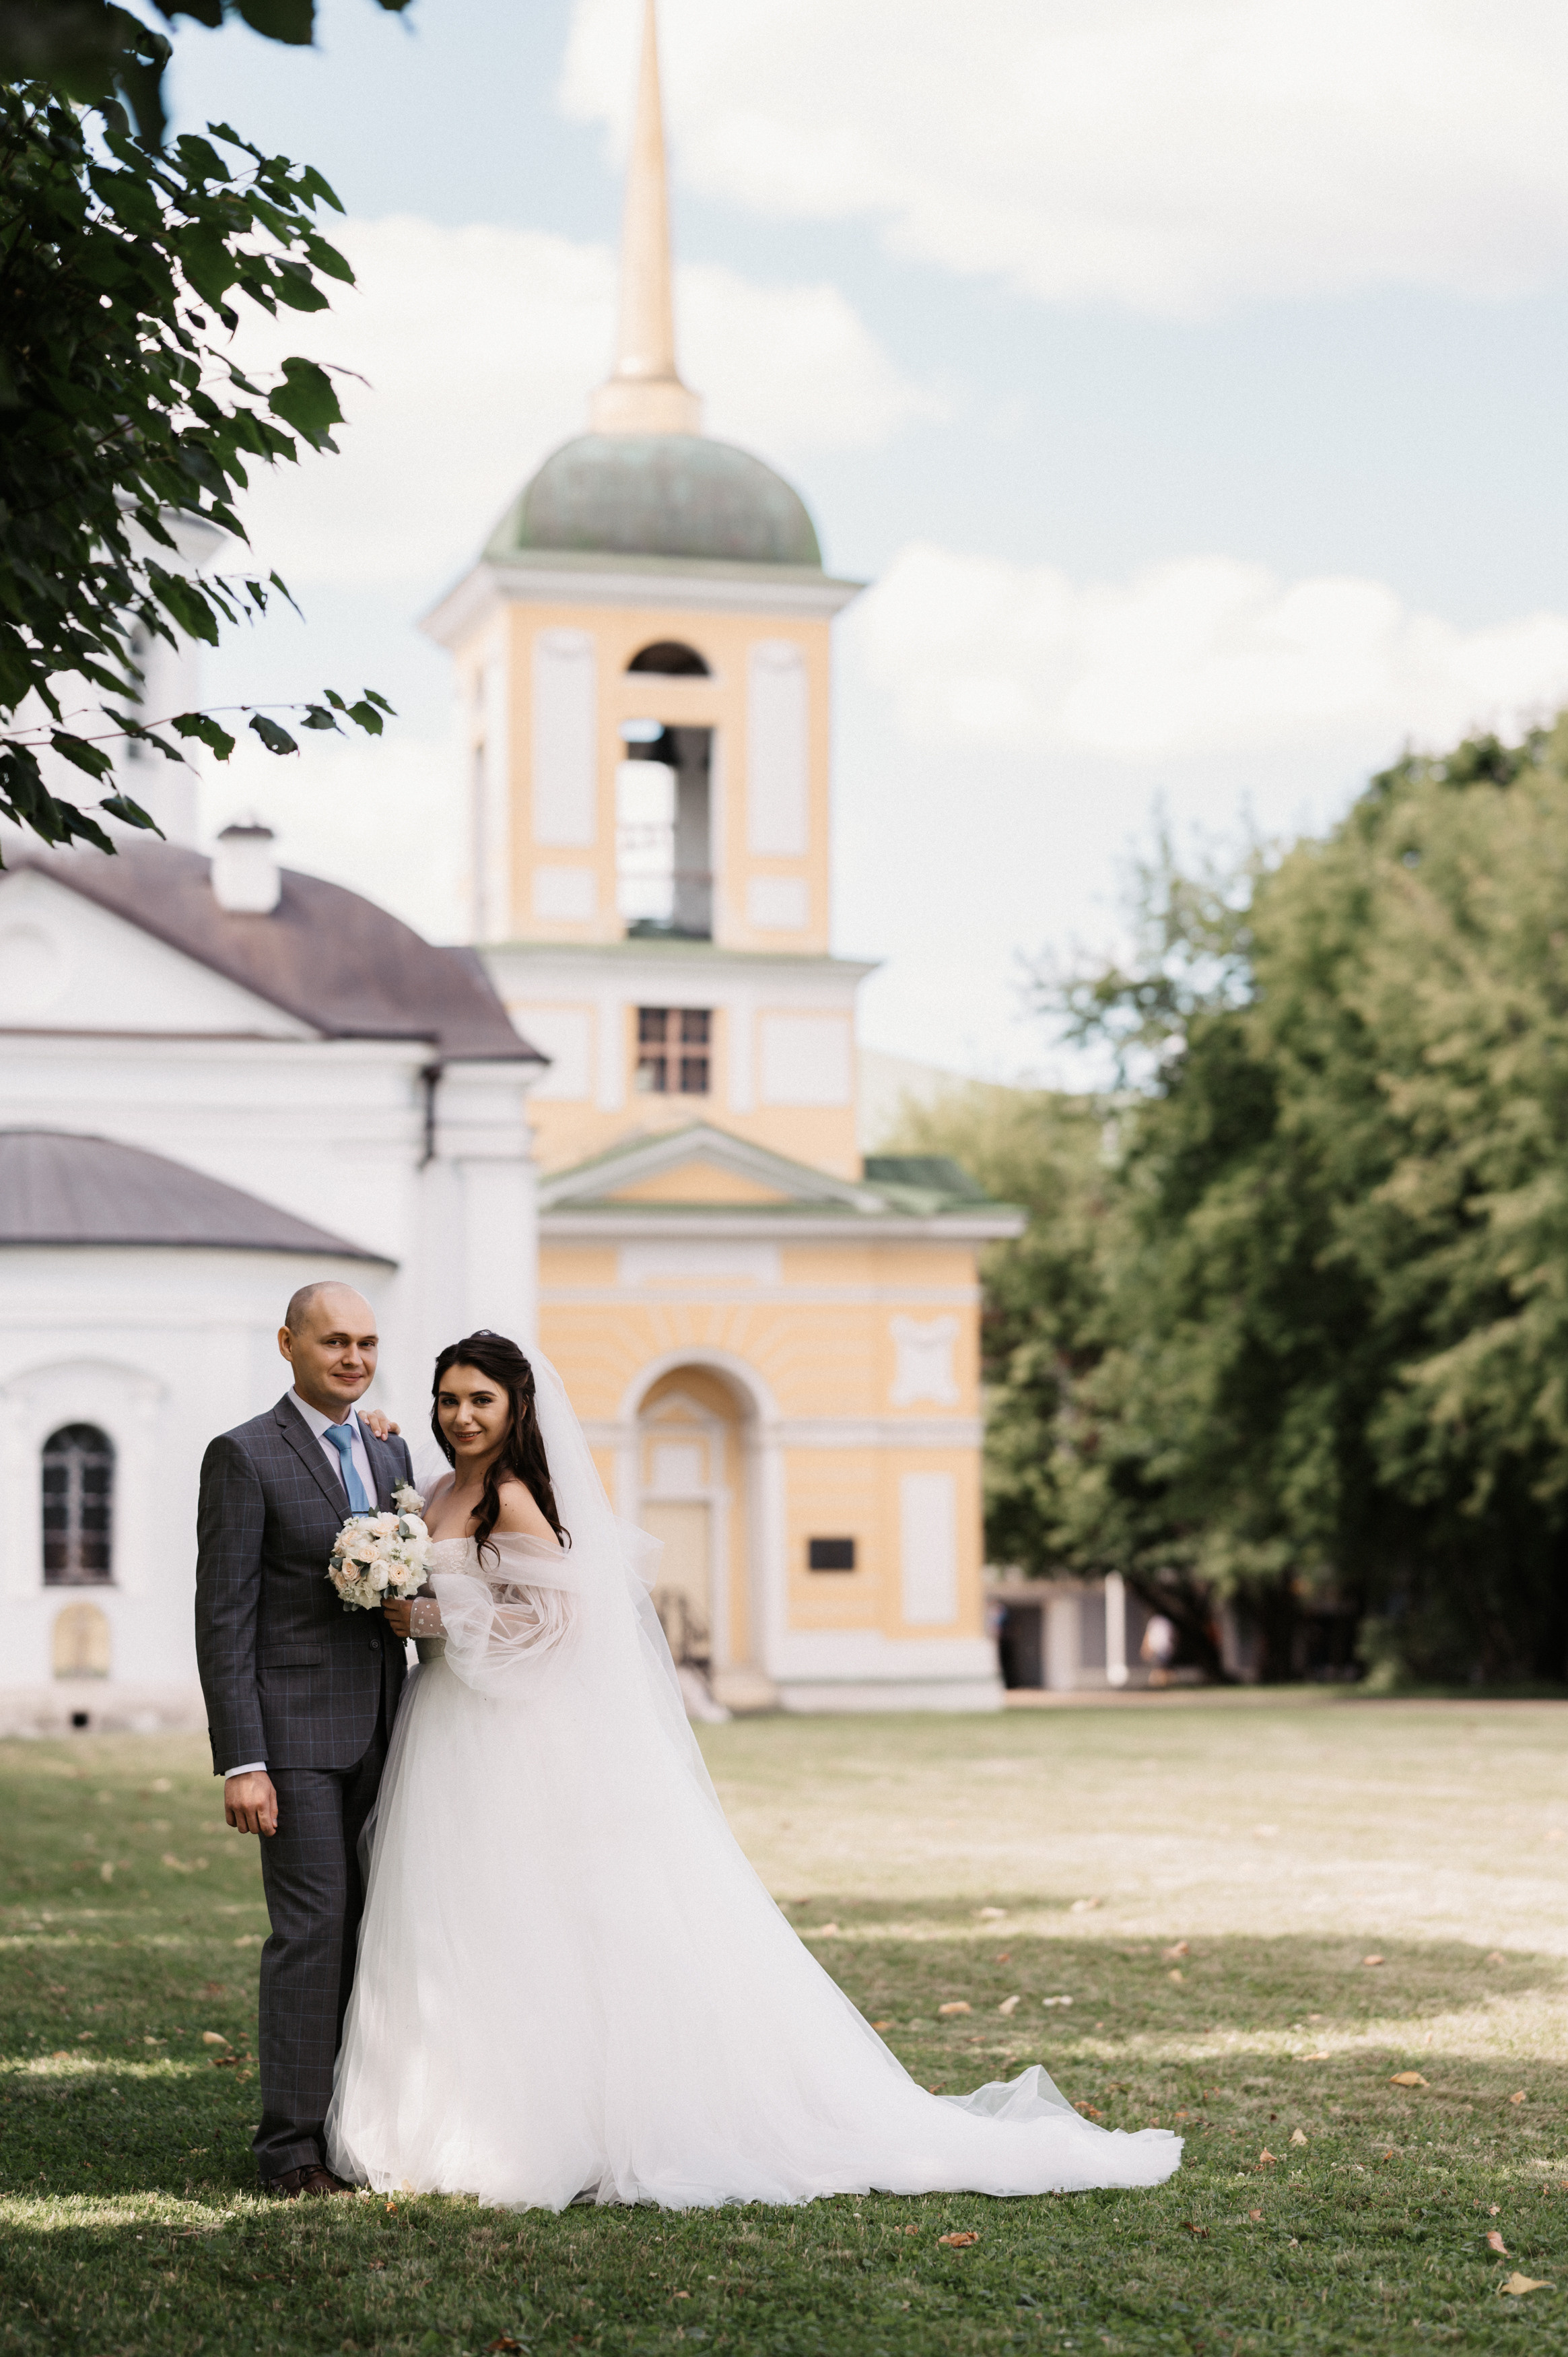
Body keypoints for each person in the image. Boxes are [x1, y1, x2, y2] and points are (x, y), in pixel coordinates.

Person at [326, 1329, 1183, 2209]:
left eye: (481, 1400)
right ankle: (455, 2106)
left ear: (516, 1408)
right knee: (460, 1913)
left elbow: (561, 1628)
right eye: (448, 1399)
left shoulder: (512, 1496)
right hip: (448, 1727)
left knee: (534, 1913)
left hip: (508, 1734)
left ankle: (556, 2123)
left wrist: (441, 1620)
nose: (462, 1416)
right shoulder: (435, 1489)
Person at [195, 1282, 415, 2199]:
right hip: (292, 1745)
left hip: (391, 1733)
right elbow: (224, 1617)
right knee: (313, 1931)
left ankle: (357, 2130)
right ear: (288, 1344)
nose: (353, 1358)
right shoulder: (244, 1455)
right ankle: (290, 2151)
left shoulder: (391, 1445)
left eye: (365, 1342)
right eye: (333, 1342)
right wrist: (243, 1760)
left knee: (381, 1931)